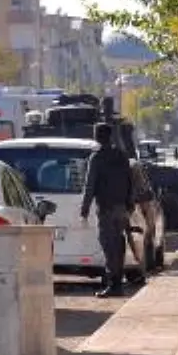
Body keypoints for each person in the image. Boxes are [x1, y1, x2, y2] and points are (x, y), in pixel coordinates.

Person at [79, 123, 135, 297]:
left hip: (106, 209)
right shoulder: (121, 156)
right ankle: (117, 281)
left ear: (97, 137)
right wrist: (129, 204)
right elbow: (130, 181)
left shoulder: (97, 158)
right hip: (121, 207)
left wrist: (84, 209)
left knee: (109, 245)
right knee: (118, 244)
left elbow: (90, 185)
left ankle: (114, 284)